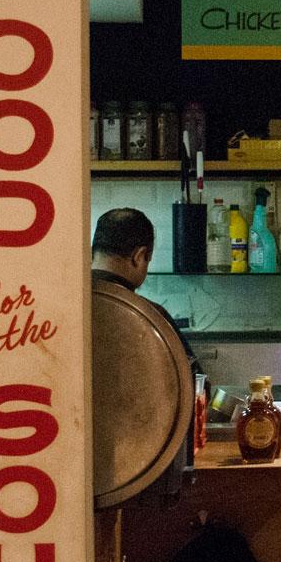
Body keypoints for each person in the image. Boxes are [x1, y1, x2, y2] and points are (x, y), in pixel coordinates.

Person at [91, 207, 201, 498]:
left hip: (71, 476)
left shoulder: (63, 309)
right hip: (143, 476)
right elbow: (194, 386)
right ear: (139, 256)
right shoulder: (152, 319)